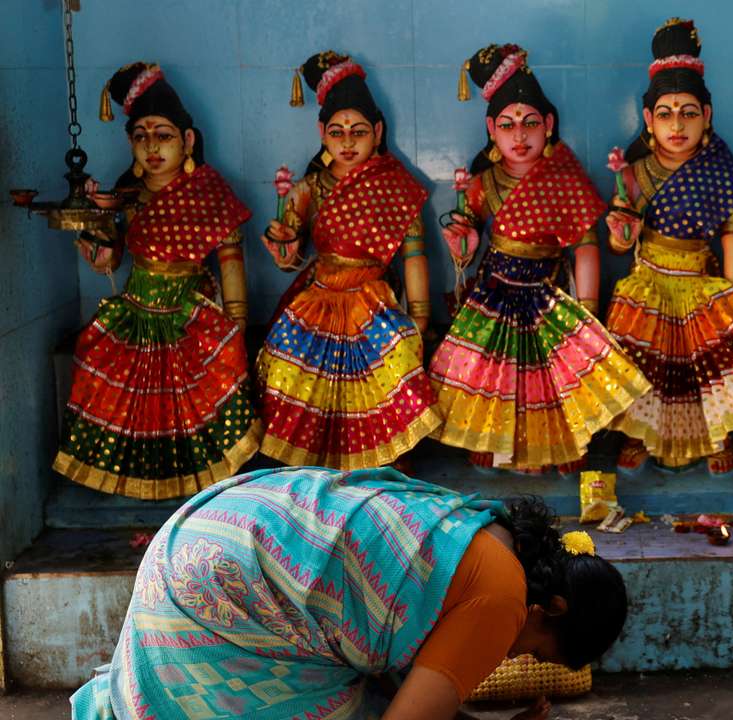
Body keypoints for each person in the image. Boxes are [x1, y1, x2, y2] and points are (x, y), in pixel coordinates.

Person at [70, 466, 627, 720]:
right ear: (551, 608)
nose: (511, 657)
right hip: (223, 590)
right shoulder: (504, 598)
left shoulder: (477, 529)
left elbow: (400, 680)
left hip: (196, 538)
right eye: (533, 648)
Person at [430, 43, 651, 474]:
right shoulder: (483, 183)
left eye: (530, 123)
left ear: (548, 124)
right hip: (494, 292)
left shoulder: (566, 180)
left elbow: (585, 246)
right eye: (508, 125)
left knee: (548, 380)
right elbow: (464, 246)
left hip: (547, 294)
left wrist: (587, 310)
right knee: (493, 376)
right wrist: (462, 244)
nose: (520, 135)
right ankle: (494, 445)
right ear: (492, 129)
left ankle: (556, 447)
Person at [54, 61, 261, 499]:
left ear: (187, 140)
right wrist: (89, 230)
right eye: (141, 136)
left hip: (190, 313)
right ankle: (134, 482)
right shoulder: (127, 195)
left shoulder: (211, 195)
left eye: (163, 135)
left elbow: (230, 265)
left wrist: (238, 324)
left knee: (210, 379)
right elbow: (108, 261)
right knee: (97, 358)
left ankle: (205, 481)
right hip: (137, 309)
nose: (152, 147)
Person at [605, 18, 733, 476]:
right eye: (665, 114)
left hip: (699, 277)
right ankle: (639, 436)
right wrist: (622, 229)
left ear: (707, 115)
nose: (677, 124)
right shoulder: (634, 172)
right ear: (648, 119)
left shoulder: (721, 170)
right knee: (644, 362)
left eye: (688, 112)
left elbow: (732, 240)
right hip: (648, 278)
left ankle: (715, 434)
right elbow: (617, 243)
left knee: (711, 361)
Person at [257, 51, 439, 470]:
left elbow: (414, 255)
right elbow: (290, 258)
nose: (347, 141)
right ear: (322, 133)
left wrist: (421, 318)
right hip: (318, 296)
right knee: (288, 362)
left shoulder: (397, 186)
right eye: (336, 131)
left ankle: (384, 456)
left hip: (373, 295)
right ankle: (308, 457)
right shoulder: (307, 188)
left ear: (377, 132)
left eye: (358, 131)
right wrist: (282, 245)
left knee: (393, 354)